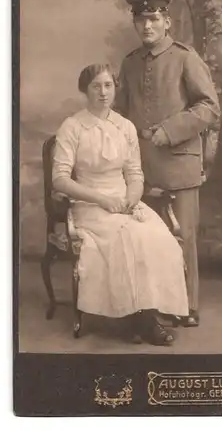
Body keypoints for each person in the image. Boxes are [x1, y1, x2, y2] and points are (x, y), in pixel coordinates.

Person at [52, 63, 189, 346]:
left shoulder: (125, 127)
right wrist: (102, 199)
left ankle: (143, 314)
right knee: (126, 237)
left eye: (108, 86)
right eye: (95, 86)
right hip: (89, 204)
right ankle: (139, 321)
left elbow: (135, 175)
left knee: (156, 236)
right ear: (84, 90)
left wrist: (131, 199)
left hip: (125, 201)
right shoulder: (72, 127)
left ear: (115, 88)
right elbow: (60, 180)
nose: (103, 93)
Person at [115, 0, 220, 327]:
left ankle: (187, 306)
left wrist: (170, 130)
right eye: (140, 19)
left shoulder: (185, 57)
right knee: (148, 239)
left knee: (181, 237)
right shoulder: (130, 62)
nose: (147, 25)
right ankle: (154, 302)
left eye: (153, 19)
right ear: (134, 22)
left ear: (166, 22)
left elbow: (209, 107)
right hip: (141, 167)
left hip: (179, 163)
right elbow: (119, 111)